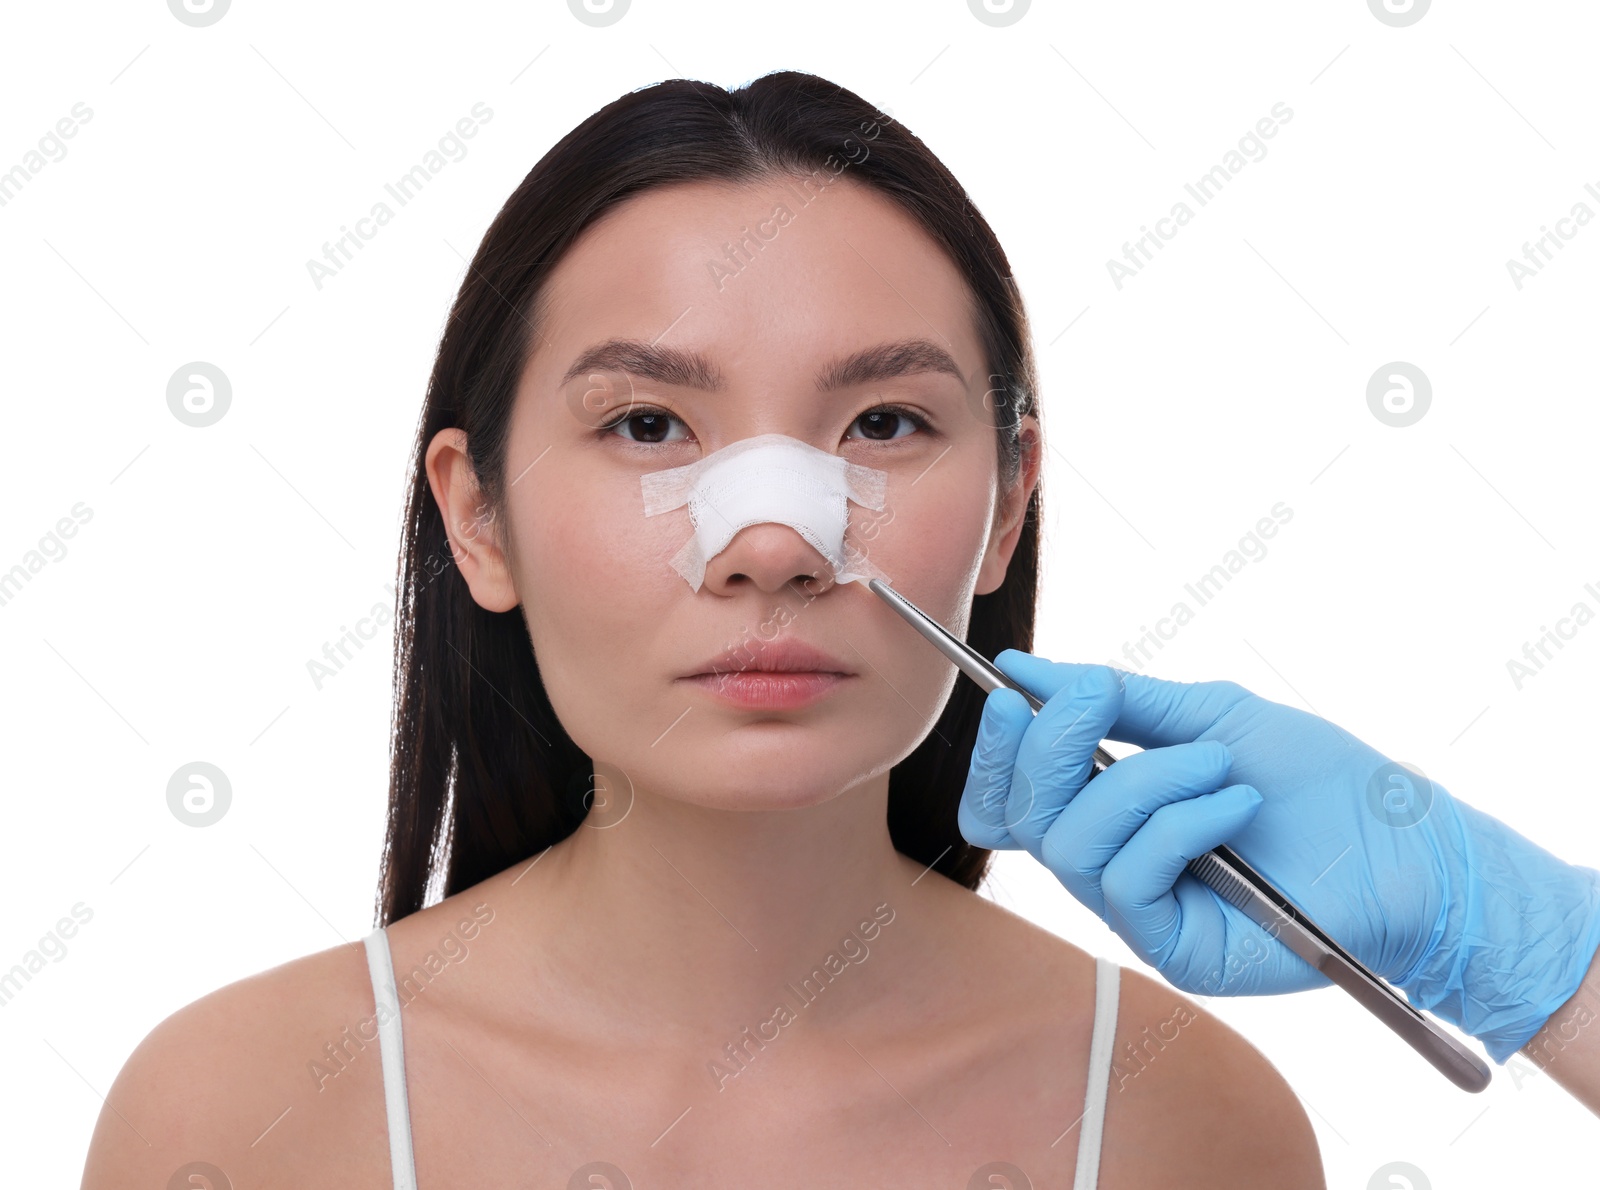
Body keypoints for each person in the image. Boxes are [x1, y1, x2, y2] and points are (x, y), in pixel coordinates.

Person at [78, 74, 1325, 1188]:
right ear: (479, 519)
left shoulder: (1181, 1120)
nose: (775, 543)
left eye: (884, 423)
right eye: (646, 425)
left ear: (1006, 511)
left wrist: (1510, 958)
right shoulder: (238, 1114)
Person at [960, 652, 1600, 1116]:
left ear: (1009, 512)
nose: (852, 513)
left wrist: (1484, 924)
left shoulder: (1196, 1108)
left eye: (878, 454)